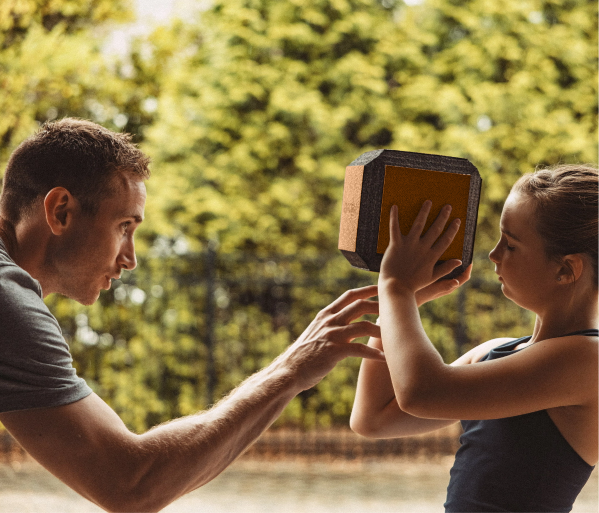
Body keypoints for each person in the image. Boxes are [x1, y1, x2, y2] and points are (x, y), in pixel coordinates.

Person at [0, 117, 397, 512]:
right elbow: (131, 483)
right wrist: (290, 370)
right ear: (61, 211)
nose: (131, 259)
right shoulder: (9, 304)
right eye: (124, 226)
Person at [350, 164, 598, 512]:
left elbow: (422, 391)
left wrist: (396, 289)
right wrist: (410, 297)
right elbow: (373, 418)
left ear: (565, 269)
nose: (493, 255)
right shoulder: (494, 352)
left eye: (510, 245)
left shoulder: (588, 361)